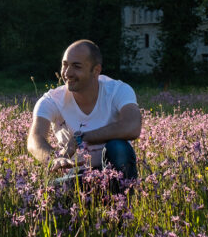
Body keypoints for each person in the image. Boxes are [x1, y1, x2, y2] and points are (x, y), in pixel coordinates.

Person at [27, 40, 140, 190]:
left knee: (119, 147)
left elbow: (132, 126)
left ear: (96, 70)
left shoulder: (118, 90)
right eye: (65, 65)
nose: (67, 73)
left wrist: (81, 138)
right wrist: (54, 159)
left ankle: (122, 200)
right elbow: (34, 139)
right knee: (56, 189)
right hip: (76, 175)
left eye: (77, 66)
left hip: (114, 170)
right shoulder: (52, 100)